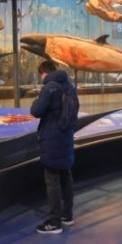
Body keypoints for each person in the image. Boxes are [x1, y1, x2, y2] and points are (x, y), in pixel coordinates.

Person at [31, 60, 80, 234]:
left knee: (52, 181)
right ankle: (68, 216)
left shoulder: (49, 87)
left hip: (52, 138)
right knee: (66, 175)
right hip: (66, 137)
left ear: (43, 72)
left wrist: (36, 100)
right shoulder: (70, 87)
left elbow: (36, 111)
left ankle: (54, 222)